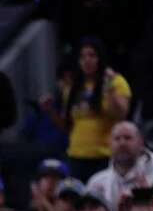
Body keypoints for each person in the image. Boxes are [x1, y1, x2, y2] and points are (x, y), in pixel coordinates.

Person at [43, 37, 131, 180]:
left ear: (100, 58)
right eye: (82, 56)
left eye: (92, 55)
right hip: (76, 155)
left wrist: (109, 88)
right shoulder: (72, 87)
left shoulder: (116, 81)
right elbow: (67, 127)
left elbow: (121, 114)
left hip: (104, 155)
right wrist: (51, 111)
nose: (87, 60)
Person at [85, 122, 153, 211]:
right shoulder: (96, 182)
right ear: (109, 144)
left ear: (141, 143)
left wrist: (146, 197)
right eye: (117, 139)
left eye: (128, 138)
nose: (122, 143)